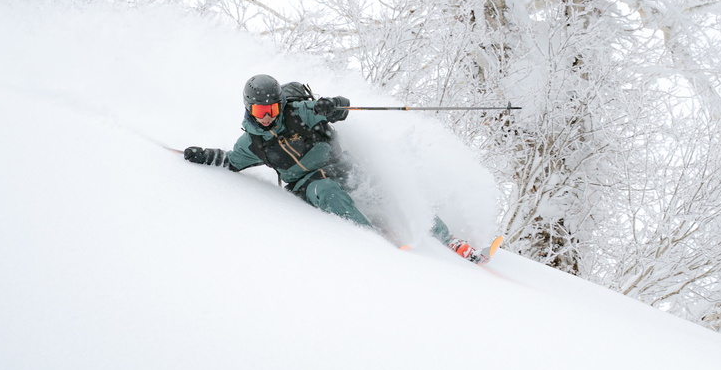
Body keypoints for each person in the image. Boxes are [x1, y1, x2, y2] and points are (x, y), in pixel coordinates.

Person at [183, 74, 492, 263]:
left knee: (384, 186)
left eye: (272, 109)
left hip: (339, 163)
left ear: (280, 104)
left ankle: (449, 239)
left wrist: (331, 106)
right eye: (261, 111)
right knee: (328, 191)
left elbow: (340, 109)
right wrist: (205, 155)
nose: (267, 117)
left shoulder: (298, 113)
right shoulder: (252, 144)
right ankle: (373, 242)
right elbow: (230, 162)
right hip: (308, 183)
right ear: (250, 109)